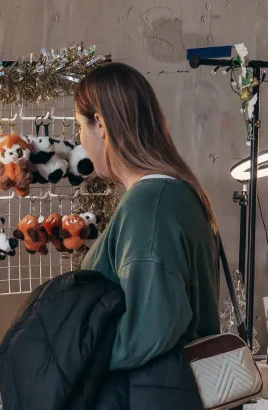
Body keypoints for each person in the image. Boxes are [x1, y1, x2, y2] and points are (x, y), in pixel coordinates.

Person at [75, 62, 220, 370]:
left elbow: (149, 328)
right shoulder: (178, 194)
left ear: (100, 124)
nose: (80, 140)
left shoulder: (150, 205)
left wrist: (72, 360)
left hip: (147, 390)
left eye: (79, 126)